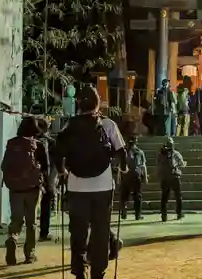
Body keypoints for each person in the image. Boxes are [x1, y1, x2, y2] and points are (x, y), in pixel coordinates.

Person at [54, 84, 128, 279]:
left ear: (78, 104)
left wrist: (62, 172)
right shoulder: (108, 124)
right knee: (100, 231)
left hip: (76, 186)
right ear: (98, 103)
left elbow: (57, 152)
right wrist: (123, 169)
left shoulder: (69, 125)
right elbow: (122, 152)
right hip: (103, 186)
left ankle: (80, 271)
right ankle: (98, 272)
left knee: (78, 231)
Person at [1, 117, 48, 265]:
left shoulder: (12, 143)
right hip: (33, 189)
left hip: (15, 189)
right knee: (31, 223)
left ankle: (12, 238)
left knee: (16, 219)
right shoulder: (39, 146)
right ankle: (29, 254)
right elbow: (46, 167)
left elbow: (4, 166)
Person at [36, 118, 56, 242]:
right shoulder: (50, 142)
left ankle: (15, 234)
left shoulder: (27, 141)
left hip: (27, 180)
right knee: (45, 206)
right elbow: (53, 164)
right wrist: (51, 182)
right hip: (45, 178)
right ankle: (43, 233)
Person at [157, 137, 187, 221]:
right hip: (174, 177)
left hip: (165, 177)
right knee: (178, 196)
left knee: (164, 197)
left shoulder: (161, 154)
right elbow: (181, 163)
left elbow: (159, 163)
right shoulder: (176, 153)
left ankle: (164, 215)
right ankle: (179, 213)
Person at [120, 136, 148, 220]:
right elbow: (143, 166)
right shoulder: (140, 152)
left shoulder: (124, 152)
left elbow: (120, 166)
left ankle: (124, 210)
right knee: (137, 195)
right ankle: (137, 215)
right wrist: (145, 177)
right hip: (136, 175)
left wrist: (119, 177)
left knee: (125, 195)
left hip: (126, 175)